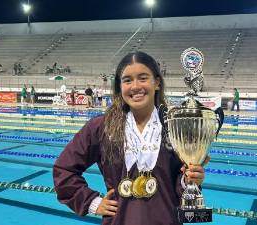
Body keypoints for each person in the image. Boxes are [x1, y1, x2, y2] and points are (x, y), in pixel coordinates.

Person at [53, 51, 208, 225]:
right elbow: (64, 169)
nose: (135, 86)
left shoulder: (175, 127)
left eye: (143, 78)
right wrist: (92, 203)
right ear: (120, 87)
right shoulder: (101, 127)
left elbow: (179, 187)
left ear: (156, 82)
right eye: (127, 80)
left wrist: (191, 179)